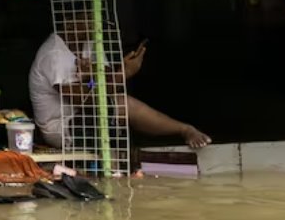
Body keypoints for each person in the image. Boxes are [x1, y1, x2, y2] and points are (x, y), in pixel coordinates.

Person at [28, 19, 211, 151]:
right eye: (89, 21)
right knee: (123, 104)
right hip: (61, 128)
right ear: (70, 22)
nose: (94, 25)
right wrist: (124, 74)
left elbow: (104, 76)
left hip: (82, 117)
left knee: (118, 105)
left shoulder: (86, 43)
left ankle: (184, 129)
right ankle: (183, 129)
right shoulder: (53, 54)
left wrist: (110, 72)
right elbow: (83, 99)